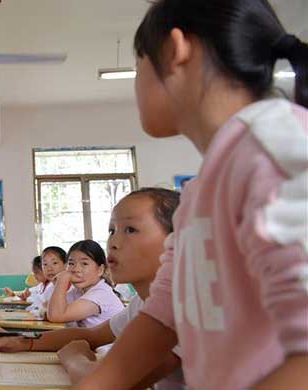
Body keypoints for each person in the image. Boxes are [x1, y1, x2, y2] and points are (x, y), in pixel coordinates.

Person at [76, 1, 308, 388]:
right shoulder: (204, 190)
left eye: (138, 66)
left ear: (174, 50)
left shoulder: (275, 148)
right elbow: (161, 319)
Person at [0, 188, 185, 389]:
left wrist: (74, 357)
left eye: (131, 230)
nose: (113, 242)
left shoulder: (184, 309)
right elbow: (92, 335)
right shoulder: (143, 303)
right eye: (112, 231)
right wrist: (21, 342)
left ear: (177, 240)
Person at [46, 240, 123, 328]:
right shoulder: (77, 291)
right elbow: (51, 309)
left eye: (84, 264)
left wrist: (62, 280)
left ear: (100, 270)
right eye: (71, 263)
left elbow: (56, 315)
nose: (76, 269)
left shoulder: (100, 294)